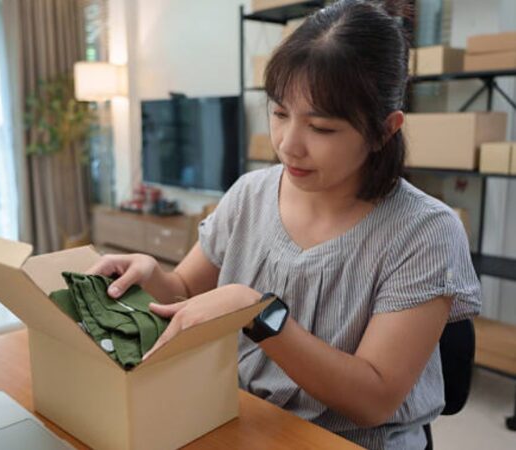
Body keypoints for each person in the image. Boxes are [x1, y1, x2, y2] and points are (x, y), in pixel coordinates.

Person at [86, 0, 481, 448]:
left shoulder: (424, 232)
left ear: (385, 129)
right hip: (244, 420)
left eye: (322, 128)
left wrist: (259, 312)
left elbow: (373, 400)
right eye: (278, 114)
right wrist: (150, 275)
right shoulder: (251, 194)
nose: (289, 145)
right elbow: (187, 292)